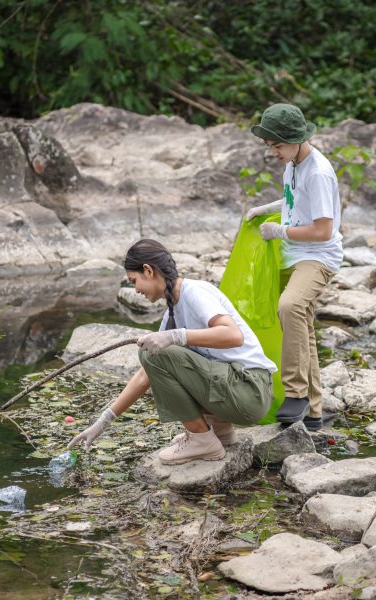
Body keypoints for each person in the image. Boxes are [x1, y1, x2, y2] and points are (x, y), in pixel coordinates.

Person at [68, 239, 276, 464]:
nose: (136, 289)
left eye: (134, 281)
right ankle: (219, 431)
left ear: (148, 270)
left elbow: (233, 336)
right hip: (239, 392)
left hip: (250, 390)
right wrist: (104, 420)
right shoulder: (172, 313)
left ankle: (201, 440)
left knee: (153, 354)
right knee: (154, 358)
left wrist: (176, 336)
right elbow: (146, 373)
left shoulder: (194, 292)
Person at [246, 103, 342, 432]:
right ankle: (314, 414)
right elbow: (294, 201)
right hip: (293, 254)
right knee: (303, 329)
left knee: (289, 306)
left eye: (277, 146)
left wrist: (279, 231)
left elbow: (323, 230)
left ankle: (296, 392)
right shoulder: (293, 163)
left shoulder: (318, 172)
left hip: (317, 255)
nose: (273, 152)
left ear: (296, 140)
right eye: (269, 146)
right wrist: (266, 209)